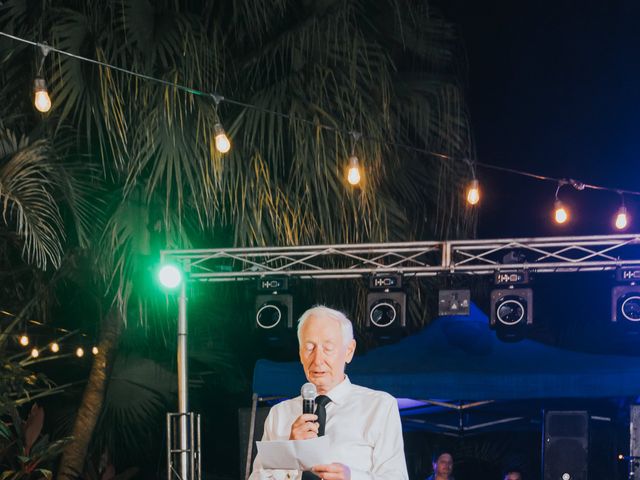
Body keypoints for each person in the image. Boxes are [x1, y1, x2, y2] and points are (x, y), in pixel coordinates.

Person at [249, 305, 409, 480]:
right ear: (301, 353)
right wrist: (290, 450)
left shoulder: (379, 407)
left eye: (328, 348)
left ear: (349, 351)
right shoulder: (279, 414)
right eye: (310, 348)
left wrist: (352, 477)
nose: (317, 360)